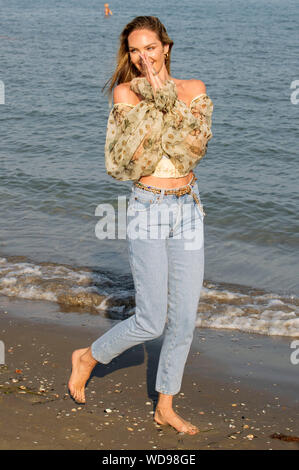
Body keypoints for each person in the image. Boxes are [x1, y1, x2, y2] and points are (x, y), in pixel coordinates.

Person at [68, 16, 213, 435]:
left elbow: (190, 151)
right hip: (148, 209)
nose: (143, 56)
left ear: (165, 47)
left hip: (188, 209)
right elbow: (124, 162)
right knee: (151, 320)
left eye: (150, 47)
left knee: (184, 321)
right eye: (135, 50)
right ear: (129, 55)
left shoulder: (195, 89)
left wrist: (164, 97)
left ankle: (165, 405)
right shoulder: (124, 93)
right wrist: (157, 100)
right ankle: (89, 356)